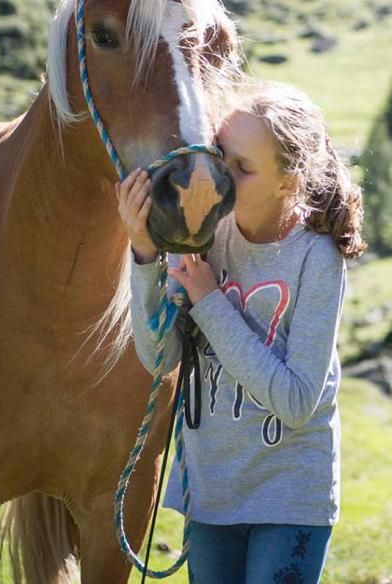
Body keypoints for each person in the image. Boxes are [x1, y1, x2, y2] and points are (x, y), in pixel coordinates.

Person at [118, 79, 367, 584]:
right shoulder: (205, 233)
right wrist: (144, 254)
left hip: (289, 495)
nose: (220, 180)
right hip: (211, 490)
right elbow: (159, 357)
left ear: (288, 183)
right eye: (222, 157)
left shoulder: (316, 258)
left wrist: (209, 301)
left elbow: (298, 401)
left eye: (243, 169)